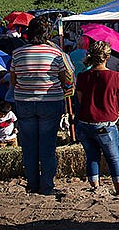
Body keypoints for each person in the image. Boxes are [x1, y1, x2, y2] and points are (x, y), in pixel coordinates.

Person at [11, 17, 74, 195]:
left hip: (24, 102)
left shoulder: (17, 53)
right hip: (50, 102)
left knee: (29, 146)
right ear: (47, 34)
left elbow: (14, 82)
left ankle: (32, 184)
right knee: (47, 146)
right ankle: (47, 185)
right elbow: (64, 79)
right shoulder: (56, 54)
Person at [75, 41, 119, 194]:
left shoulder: (83, 76)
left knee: (92, 157)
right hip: (105, 124)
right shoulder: (116, 76)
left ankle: (95, 187)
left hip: (84, 122)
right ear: (107, 57)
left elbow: (80, 100)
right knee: (114, 159)